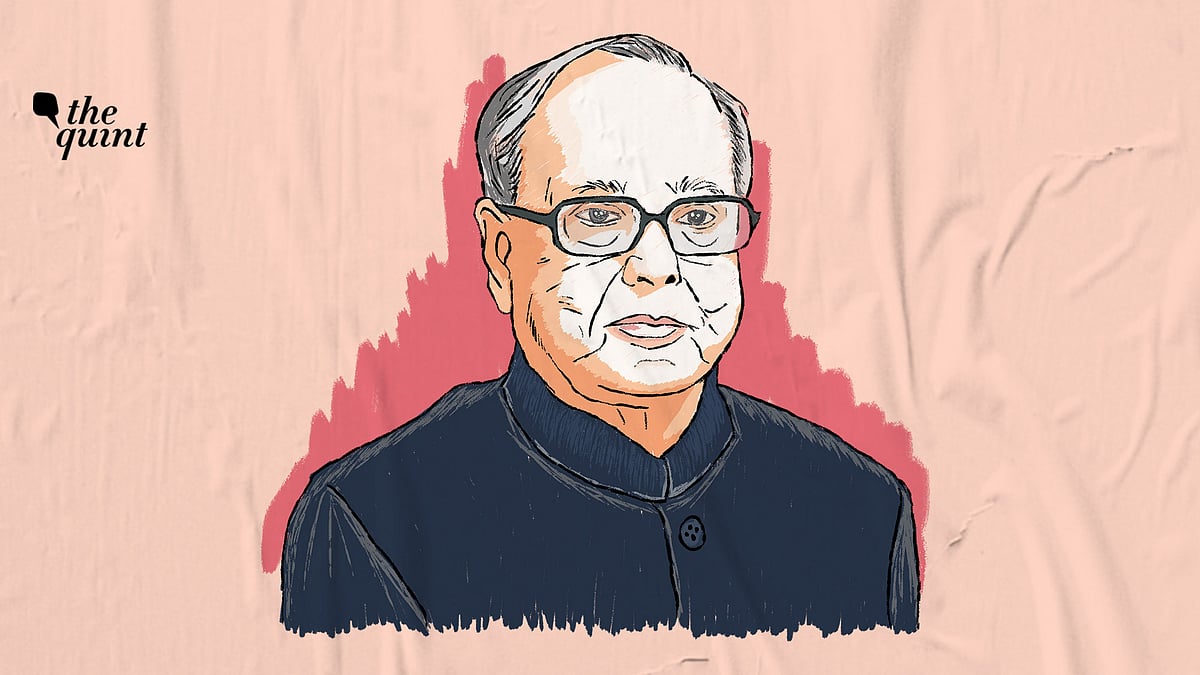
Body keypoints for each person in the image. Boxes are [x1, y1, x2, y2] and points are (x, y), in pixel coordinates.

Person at [280, 33, 919, 638]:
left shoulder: (862, 511)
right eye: (598, 217)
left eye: (699, 216)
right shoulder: (372, 523)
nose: (657, 266)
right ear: (501, 254)